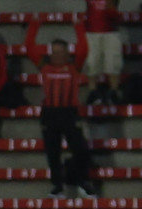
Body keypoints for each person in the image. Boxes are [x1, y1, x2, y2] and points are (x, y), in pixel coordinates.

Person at [25, 16, 96, 199]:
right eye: (54, 52)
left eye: (60, 51)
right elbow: (29, 46)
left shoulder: (74, 67)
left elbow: (84, 48)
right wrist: (35, 24)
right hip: (49, 114)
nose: (57, 55)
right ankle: (57, 187)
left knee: (81, 149)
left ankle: (82, 182)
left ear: (67, 53)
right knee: (52, 151)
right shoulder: (44, 67)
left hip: (70, 113)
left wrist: (78, 25)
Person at [85, 0, 123, 105]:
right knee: (92, 62)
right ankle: (92, 91)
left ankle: (113, 91)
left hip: (111, 30)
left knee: (113, 62)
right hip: (92, 30)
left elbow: (112, 10)